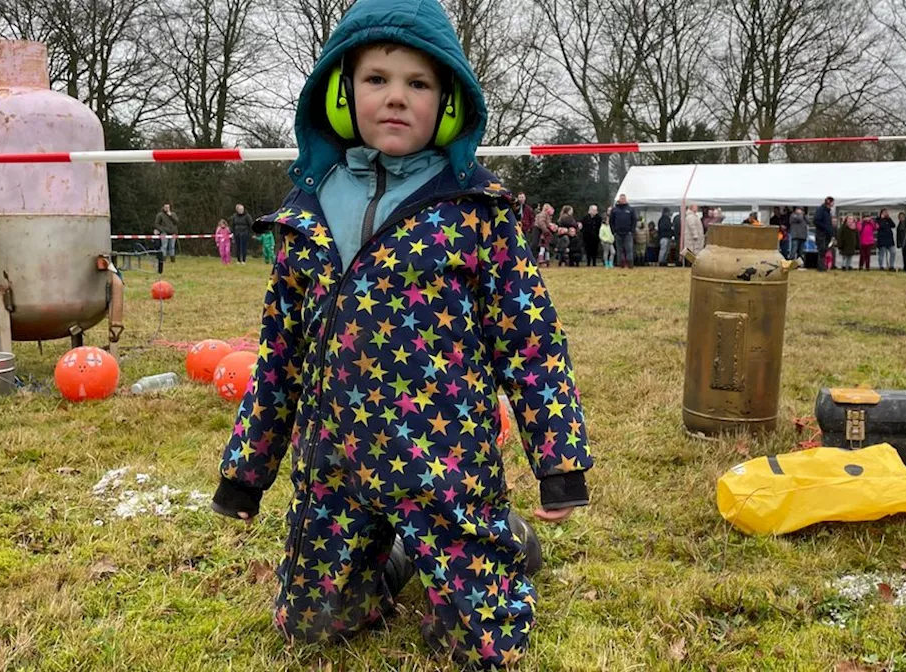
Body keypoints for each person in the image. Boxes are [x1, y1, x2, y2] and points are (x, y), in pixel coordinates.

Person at [207, 3, 593, 666]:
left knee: (485, 648)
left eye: (417, 83)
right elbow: (278, 359)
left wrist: (558, 461)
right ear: (340, 91)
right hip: (335, 463)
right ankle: (392, 559)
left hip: (444, 463)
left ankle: (497, 543)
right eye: (376, 79)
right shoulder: (304, 212)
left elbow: (531, 346)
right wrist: (247, 474)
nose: (395, 96)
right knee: (311, 628)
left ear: (447, 103)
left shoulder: (478, 211)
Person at [609, 193, 638, 268]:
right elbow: (611, 221)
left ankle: (630, 264)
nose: (623, 200)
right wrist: (614, 232)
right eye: (621, 198)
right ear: (619, 199)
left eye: (624, 198)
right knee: (619, 250)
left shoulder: (630, 209)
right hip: (618, 233)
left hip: (628, 233)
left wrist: (631, 231)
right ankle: (620, 264)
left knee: (629, 249)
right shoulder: (614, 210)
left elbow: (634, 221)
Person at [813, 197, 835, 272]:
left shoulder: (828, 212)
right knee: (821, 250)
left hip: (827, 234)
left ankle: (823, 266)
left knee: (825, 250)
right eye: (832, 202)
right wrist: (825, 228)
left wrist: (831, 232)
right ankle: (821, 267)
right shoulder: (821, 210)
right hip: (821, 234)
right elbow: (816, 221)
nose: (833, 204)